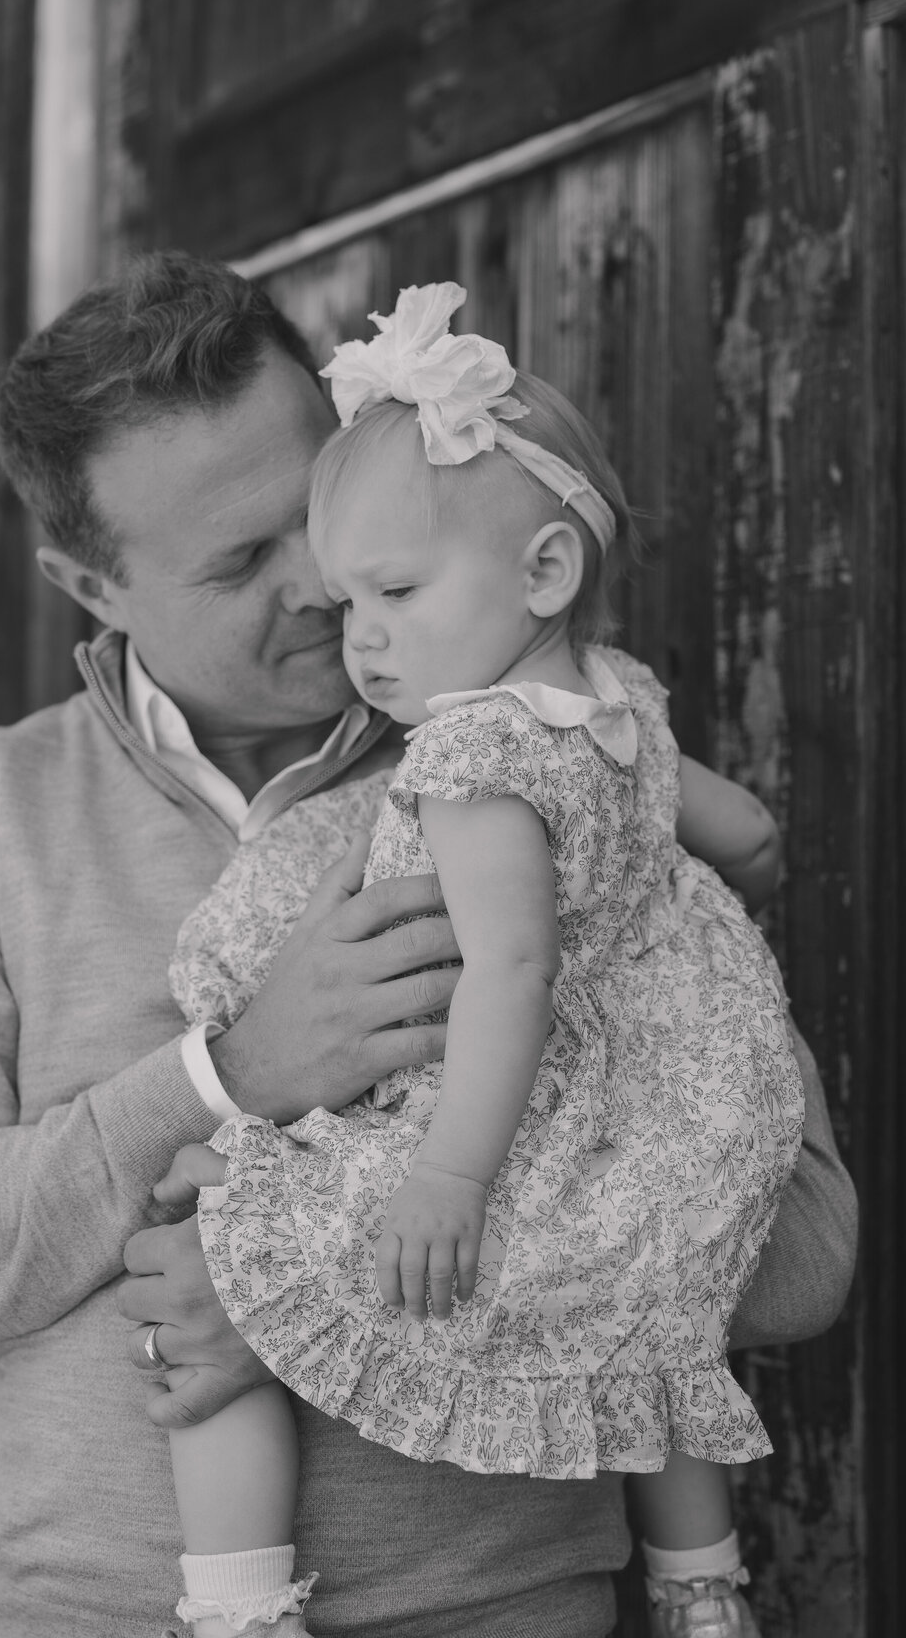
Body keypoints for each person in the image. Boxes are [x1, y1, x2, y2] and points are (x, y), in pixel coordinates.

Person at [0, 253, 857, 1638]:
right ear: (87, 585)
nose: (321, 590)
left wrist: (314, 1297)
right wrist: (223, 1076)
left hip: (496, 1607)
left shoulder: (549, 753)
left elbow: (804, 1253)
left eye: (318, 513)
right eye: (239, 561)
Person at [150, 283, 803, 1638]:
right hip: (675, 1078)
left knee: (237, 1221)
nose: (359, 637)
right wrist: (722, 890)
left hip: (521, 1085)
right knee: (651, 1323)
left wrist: (448, 1175)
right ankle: (702, 1589)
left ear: (546, 572)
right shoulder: (617, 695)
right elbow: (737, 825)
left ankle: (237, 1606)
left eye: (391, 593)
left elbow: (507, 972)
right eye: (349, 602)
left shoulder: (469, 759)